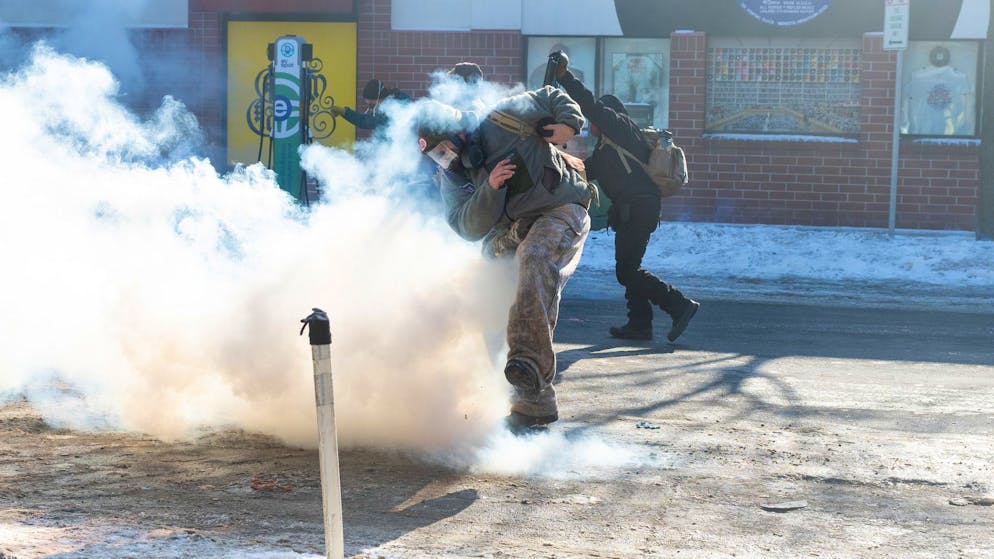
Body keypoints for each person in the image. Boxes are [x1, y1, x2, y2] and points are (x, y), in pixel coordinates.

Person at [416, 88, 593, 431]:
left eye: (445, 150)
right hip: (510, 231)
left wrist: (570, 123)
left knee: (535, 257)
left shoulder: (503, 118)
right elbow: (466, 226)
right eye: (436, 157)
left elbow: (551, 94)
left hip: (560, 209)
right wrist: (490, 188)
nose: (445, 159)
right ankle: (528, 398)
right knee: (489, 293)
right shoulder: (455, 178)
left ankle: (527, 364)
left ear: (460, 135)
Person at [556, 60, 699, 343]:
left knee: (626, 271)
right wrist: (551, 157)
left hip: (639, 208)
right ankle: (639, 324)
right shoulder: (607, 147)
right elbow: (584, 171)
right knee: (631, 266)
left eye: (596, 122)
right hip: (632, 210)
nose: (593, 126)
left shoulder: (621, 128)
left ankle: (679, 305)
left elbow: (591, 105)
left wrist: (565, 78)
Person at [331, 79, 410, 131]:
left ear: (379, 98)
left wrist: (345, 112)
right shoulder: (391, 102)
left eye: (372, 104)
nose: (370, 108)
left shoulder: (396, 107)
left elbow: (367, 122)